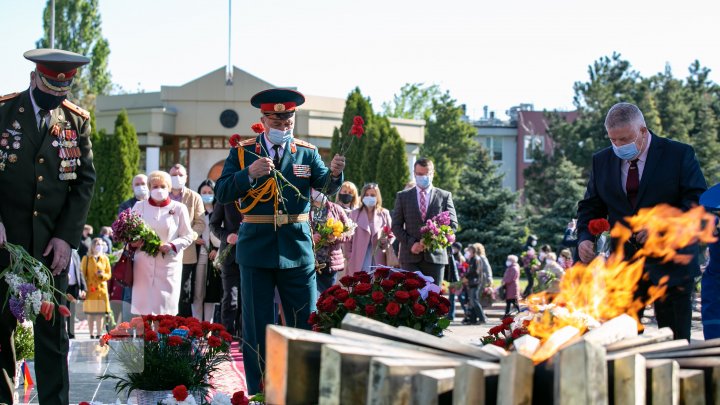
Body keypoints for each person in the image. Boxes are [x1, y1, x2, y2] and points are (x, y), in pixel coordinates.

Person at [214, 88, 345, 394]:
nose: (284, 124)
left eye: (288, 117)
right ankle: (262, 391)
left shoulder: (307, 152)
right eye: (277, 118)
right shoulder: (244, 152)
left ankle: (304, 390)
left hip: (296, 248)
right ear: (263, 118)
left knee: (305, 323)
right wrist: (248, 174)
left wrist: (336, 175)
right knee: (257, 327)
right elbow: (222, 193)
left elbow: (324, 186)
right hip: (256, 248)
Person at [0, 48, 95, 405]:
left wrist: (66, 238)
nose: (57, 95)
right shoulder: (4, 111)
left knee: (53, 336)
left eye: (64, 90)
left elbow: (83, 182)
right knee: (0, 330)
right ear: (33, 78)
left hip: (49, 249)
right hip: (5, 244)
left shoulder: (76, 121)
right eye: (50, 88)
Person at [576, 102, 707, 340]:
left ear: (643, 131)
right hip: (624, 266)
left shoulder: (678, 154)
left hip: (672, 264)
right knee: (622, 342)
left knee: (675, 342)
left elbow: (697, 203)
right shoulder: (602, 160)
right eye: (613, 140)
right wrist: (585, 237)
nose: (618, 146)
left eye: (624, 139)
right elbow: (591, 206)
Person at [130, 171, 194, 315]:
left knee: (164, 310)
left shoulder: (179, 208)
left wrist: (172, 245)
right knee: (144, 309)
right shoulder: (139, 206)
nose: (159, 189)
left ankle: (161, 336)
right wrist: (133, 242)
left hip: (168, 265)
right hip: (143, 265)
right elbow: (130, 233)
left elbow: (188, 236)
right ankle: (145, 336)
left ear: (169, 188)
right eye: (155, 186)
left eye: (163, 186)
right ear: (149, 187)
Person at [392, 158, 458, 285]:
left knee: (433, 299)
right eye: (420, 174)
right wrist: (412, 243)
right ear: (414, 173)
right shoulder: (403, 196)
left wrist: (432, 239)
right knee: (411, 300)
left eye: (427, 174)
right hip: (410, 258)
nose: (423, 177)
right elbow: (396, 226)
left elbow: (452, 225)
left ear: (432, 173)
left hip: (435, 257)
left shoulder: (444, 196)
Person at [169, 163, 206, 317]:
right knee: (167, 292)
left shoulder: (194, 197)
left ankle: (182, 331)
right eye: (173, 175)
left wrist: (187, 237)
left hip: (186, 253)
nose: (176, 178)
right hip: (164, 252)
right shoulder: (162, 196)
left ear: (186, 178)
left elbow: (200, 223)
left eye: (180, 175)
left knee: (184, 293)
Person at [209, 199, 243, 337]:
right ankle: (226, 336)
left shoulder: (259, 193)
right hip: (229, 255)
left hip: (252, 255)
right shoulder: (226, 197)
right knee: (230, 297)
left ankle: (244, 337)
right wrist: (227, 236)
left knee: (247, 299)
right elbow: (213, 224)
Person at [346, 183, 394, 275]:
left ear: (377, 197)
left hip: (379, 257)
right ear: (362, 196)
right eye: (366, 195)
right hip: (358, 258)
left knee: (378, 285)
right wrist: (349, 256)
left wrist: (386, 241)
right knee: (360, 285)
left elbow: (391, 234)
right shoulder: (354, 214)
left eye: (372, 195)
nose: (369, 197)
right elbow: (348, 238)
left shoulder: (384, 213)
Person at [193, 179, 222, 321]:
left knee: (211, 293)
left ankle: (208, 327)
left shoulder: (219, 210)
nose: (206, 195)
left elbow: (223, 232)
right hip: (198, 256)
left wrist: (217, 249)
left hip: (214, 257)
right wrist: (194, 238)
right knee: (198, 293)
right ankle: (196, 326)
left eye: (210, 192)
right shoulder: (195, 212)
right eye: (203, 192)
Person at [311, 189, 350, 292]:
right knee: (311, 297)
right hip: (309, 261)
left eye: (322, 189)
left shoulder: (336, 209)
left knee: (328, 297)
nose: (319, 192)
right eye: (316, 189)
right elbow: (297, 230)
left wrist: (336, 237)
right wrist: (310, 237)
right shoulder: (305, 209)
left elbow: (348, 232)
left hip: (329, 262)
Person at [82, 238, 111, 339]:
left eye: (101, 244)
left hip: (102, 289)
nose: (99, 246)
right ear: (93, 246)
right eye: (97, 244)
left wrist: (103, 275)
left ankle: (99, 333)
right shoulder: (86, 258)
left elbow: (109, 274)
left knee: (100, 313)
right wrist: (83, 288)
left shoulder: (105, 258)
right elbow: (82, 274)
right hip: (90, 290)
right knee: (91, 314)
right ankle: (91, 334)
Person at [462, 244, 489, 325]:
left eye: (469, 250)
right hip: (472, 282)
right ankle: (473, 320)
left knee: (475, 300)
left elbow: (475, 271)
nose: (468, 252)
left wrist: (466, 276)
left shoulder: (476, 259)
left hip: (475, 282)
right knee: (472, 301)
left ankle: (482, 318)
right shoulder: (472, 259)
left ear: (473, 251)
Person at [66, 249, 86, 339]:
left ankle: (71, 333)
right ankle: (62, 332)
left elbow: (79, 271)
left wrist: (83, 288)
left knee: (72, 311)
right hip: (63, 287)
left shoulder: (75, 254)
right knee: (62, 310)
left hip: (74, 287)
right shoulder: (61, 252)